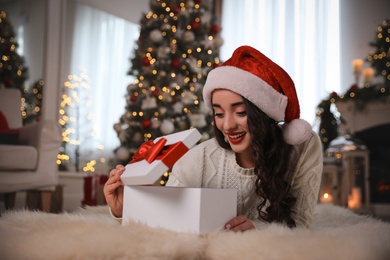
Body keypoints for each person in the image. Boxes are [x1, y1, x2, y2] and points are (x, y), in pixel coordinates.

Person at [104, 45, 323, 232]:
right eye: (219, 113)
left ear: (263, 113)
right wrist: (123, 210)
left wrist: (260, 230)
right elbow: (165, 226)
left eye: (240, 112)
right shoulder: (196, 160)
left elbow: (301, 224)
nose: (227, 125)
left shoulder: (302, 147)